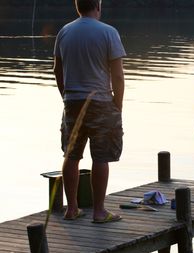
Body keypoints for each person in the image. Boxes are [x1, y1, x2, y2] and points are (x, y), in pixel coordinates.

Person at [53, 0, 125, 223]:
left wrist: (66, 95)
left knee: (71, 155)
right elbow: (118, 76)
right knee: (101, 156)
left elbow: (57, 70)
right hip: (101, 101)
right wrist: (118, 104)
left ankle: (72, 209)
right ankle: (99, 211)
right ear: (98, 6)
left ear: (78, 7)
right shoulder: (108, 32)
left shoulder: (64, 32)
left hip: (72, 100)